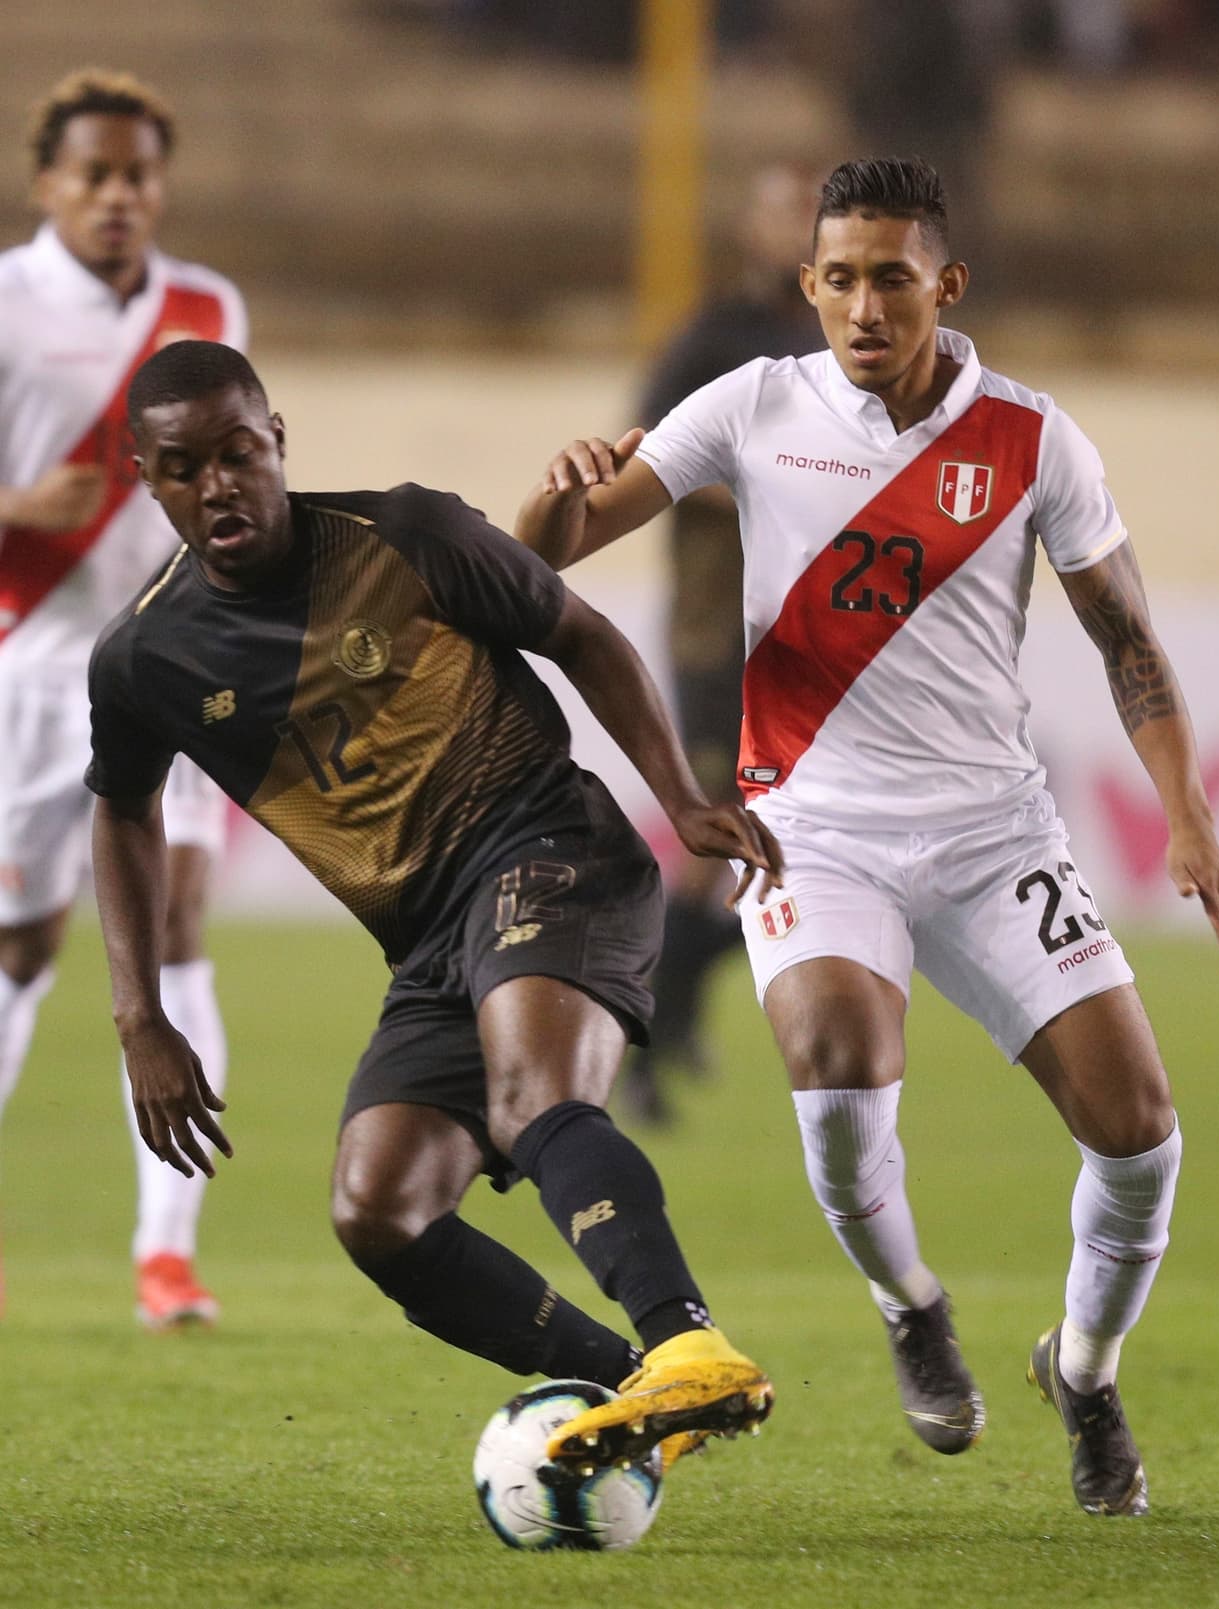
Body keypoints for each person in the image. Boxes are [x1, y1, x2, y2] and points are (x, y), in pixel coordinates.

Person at [514, 156, 1219, 1515]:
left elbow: (1126, 640)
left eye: (893, 281)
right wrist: (555, 491)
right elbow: (548, 554)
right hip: (811, 826)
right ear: (809, 284)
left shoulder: (1032, 439)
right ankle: (909, 1301)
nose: (865, 308)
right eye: (842, 280)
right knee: (839, 1075)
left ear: (945, 285)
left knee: (1141, 1132)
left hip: (992, 834)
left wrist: (1190, 821)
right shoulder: (752, 401)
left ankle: (1082, 1370)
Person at [86, 339, 783, 1471]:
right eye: (182, 468)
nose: (217, 485)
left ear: (276, 441)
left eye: (237, 453)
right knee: (378, 1207)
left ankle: (686, 1341)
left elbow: (580, 632)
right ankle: (641, 1390)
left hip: (552, 849)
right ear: (146, 478)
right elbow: (122, 810)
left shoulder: (407, 534)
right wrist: (139, 1015)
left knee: (533, 1092)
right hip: (429, 941)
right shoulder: (143, 658)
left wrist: (683, 800)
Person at [0, 69, 246, 1327]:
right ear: (47, 182)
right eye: (93, 174)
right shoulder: (4, 303)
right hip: (32, 666)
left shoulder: (207, 307)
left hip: (171, 661)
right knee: (21, 946)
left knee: (176, 918)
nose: (117, 196)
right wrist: (13, 506)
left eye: (137, 175)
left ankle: (167, 1253)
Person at [626, 162, 826, 1124]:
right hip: (718, 634)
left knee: (791, 848)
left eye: (811, 213)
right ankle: (638, 1037)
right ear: (751, 229)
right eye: (783, 212)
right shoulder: (715, 337)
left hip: (814, 640)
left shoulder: (837, 340)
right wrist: (761, 482)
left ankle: (669, 1010)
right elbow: (647, 448)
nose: (797, 229)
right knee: (718, 843)